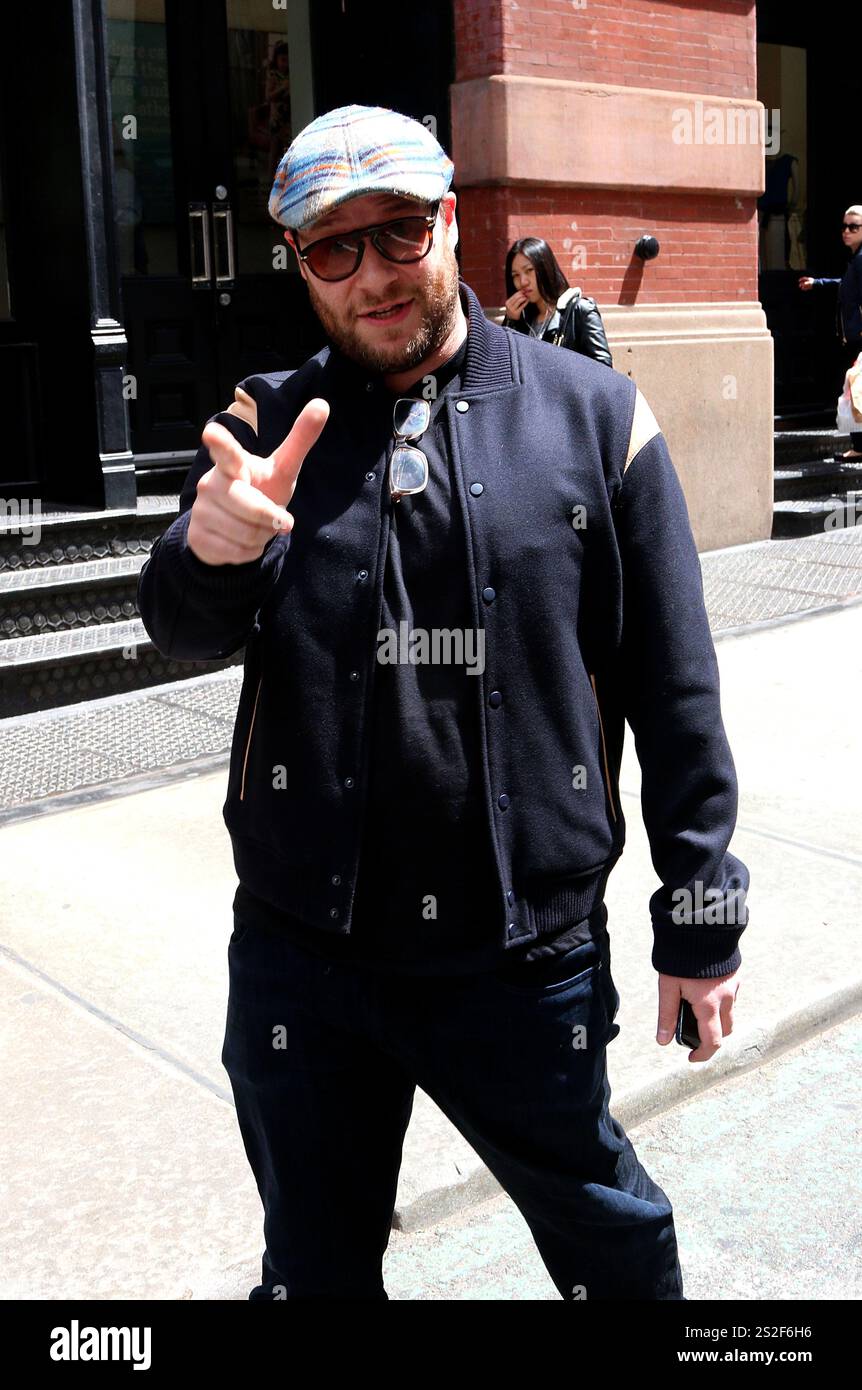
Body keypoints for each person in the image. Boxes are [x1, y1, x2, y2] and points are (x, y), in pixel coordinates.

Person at [138, 103, 749, 1302]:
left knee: (611, 1246)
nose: (370, 274)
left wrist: (702, 917)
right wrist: (206, 550)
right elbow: (180, 631)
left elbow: (672, 684)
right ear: (299, 265)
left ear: (452, 225)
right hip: (304, 955)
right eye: (331, 249)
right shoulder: (269, 424)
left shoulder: (594, 415)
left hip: (521, 955)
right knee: (311, 1269)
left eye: (398, 233)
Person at [799, 205, 862, 459]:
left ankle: (858, 447)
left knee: (855, 391)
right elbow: (847, 285)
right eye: (844, 226)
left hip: (860, 338)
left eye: (853, 227)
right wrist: (818, 283)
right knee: (855, 390)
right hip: (855, 336)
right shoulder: (856, 259)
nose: (846, 231)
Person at [502, 236, 613, 366]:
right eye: (516, 275)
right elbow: (505, 368)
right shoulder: (523, 320)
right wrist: (510, 322)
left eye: (529, 270)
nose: (523, 282)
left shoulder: (580, 311)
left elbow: (604, 369)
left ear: (545, 268)